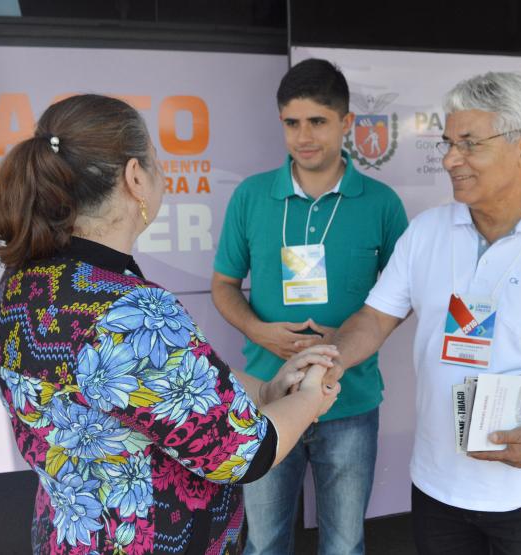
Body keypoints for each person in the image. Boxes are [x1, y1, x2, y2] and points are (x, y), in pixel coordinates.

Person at [0, 94, 340, 555]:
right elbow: (246, 453)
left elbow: (166, 396)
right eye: (154, 157)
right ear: (135, 177)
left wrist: (269, 392)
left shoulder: (26, 283)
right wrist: (311, 397)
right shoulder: (131, 312)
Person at [325, 72, 521, 554]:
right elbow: (375, 318)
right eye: (448, 142)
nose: (450, 159)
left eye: (469, 143)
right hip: (437, 487)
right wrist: (329, 361)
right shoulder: (427, 232)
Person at [211, 59, 408, 555]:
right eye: (291, 123)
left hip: (350, 401)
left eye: (317, 121)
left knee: (343, 545)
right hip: (268, 398)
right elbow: (224, 286)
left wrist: (347, 343)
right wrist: (262, 333)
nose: (303, 136)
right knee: (264, 544)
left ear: (346, 124)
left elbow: (403, 297)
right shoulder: (252, 197)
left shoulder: (381, 203)